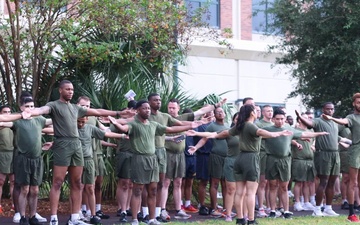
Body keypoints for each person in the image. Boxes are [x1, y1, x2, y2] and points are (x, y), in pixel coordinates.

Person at [25, 80, 135, 225]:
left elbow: (97, 112)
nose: (70, 91)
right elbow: (42, 110)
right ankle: (53, 218)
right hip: (62, 144)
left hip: (76, 145)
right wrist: (31, 112)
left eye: (72, 89)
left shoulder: (76, 108)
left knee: (77, 182)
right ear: (60, 90)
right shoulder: (54, 105)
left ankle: (75, 218)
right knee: (57, 182)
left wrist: (119, 112)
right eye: (67, 89)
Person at [187, 104, 293, 225]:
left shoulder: (239, 127)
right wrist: (278, 134)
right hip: (251, 158)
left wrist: (196, 134)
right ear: (252, 113)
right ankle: (251, 220)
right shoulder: (250, 125)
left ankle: (240, 218)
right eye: (255, 110)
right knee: (251, 192)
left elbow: (217, 134)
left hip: (239, 159)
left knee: (239, 192)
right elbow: (260, 131)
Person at [108, 100, 202, 225]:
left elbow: (169, 129)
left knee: (153, 190)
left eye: (148, 108)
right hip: (139, 160)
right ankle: (135, 220)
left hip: (153, 160)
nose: (147, 110)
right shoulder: (134, 124)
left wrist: (190, 126)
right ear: (137, 111)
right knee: (137, 191)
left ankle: (152, 219)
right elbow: (124, 128)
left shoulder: (153, 124)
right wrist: (115, 123)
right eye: (144, 108)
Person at [163, 98, 226, 220]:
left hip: (181, 154)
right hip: (167, 153)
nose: (171, 110)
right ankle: (162, 210)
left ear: (178, 108)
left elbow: (201, 111)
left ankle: (179, 210)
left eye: (173, 108)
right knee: (165, 182)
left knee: (178, 182)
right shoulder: (164, 118)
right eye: (169, 107)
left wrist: (216, 105)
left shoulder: (184, 117)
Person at [263, 109, 328, 219]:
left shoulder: (289, 128)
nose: (280, 121)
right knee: (273, 186)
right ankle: (273, 210)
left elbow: (302, 133)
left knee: (284, 187)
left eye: (282, 119)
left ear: (285, 119)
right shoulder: (267, 129)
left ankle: (287, 211)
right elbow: (256, 134)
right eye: (277, 119)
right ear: (273, 119)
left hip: (285, 160)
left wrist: (319, 134)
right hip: (271, 159)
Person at [0, 94, 52, 225]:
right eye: (27, 106)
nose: (30, 109)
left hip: (37, 159)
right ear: (21, 107)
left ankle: (33, 216)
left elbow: (54, 121)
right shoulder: (17, 121)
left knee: (35, 190)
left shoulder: (39, 119)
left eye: (32, 106)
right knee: (24, 189)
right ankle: (22, 216)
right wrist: (20, 115)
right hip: (22, 159)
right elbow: (3, 120)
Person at [295, 102, 347, 217]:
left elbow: (337, 134)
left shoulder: (334, 122)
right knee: (323, 181)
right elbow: (309, 123)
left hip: (335, 154)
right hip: (323, 154)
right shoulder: (318, 121)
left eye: (332, 109)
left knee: (332, 182)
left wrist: (346, 141)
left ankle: (328, 208)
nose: (330, 111)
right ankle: (317, 209)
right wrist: (300, 117)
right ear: (323, 109)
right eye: (327, 109)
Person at [321, 93, 360, 222]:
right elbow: (343, 121)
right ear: (354, 103)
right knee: (352, 182)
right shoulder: (352, 117)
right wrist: (332, 119)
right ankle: (351, 213)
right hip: (356, 151)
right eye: (358, 102)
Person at [76, 96, 110, 220]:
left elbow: (105, 130)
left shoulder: (93, 118)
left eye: (88, 106)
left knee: (92, 184)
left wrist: (118, 126)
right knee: (79, 185)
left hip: (93, 154)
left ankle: (93, 212)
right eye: (83, 105)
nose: (85, 108)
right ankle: (79, 211)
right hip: (78, 156)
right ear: (77, 105)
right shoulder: (72, 117)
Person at [291, 115, 316, 212]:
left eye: (308, 118)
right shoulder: (295, 130)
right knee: (298, 183)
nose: (307, 120)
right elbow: (290, 139)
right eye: (304, 118)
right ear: (299, 120)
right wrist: (296, 143)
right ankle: (297, 202)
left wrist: (314, 146)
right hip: (299, 159)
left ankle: (306, 202)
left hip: (310, 159)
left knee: (307, 182)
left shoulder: (311, 131)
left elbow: (314, 141)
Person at [254, 105, 273, 217]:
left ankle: (271, 207)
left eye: (271, 111)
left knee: (272, 183)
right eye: (268, 111)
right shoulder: (258, 124)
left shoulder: (274, 124)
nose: (270, 113)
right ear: (263, 112)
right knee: (262, 182)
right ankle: (260, 207)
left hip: (272, 155)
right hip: (262, 154)